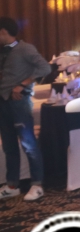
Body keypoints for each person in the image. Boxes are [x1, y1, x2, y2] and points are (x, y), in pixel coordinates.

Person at [0, 17, 50, 202]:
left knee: (28, 144)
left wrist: (22, 85)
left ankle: (37, 184)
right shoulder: (2, 51)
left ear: (3, 31)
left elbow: (45, 68)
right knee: (9, 146)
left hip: (19, 103)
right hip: (3, 102)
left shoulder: (25, 48)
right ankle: (12, 185)